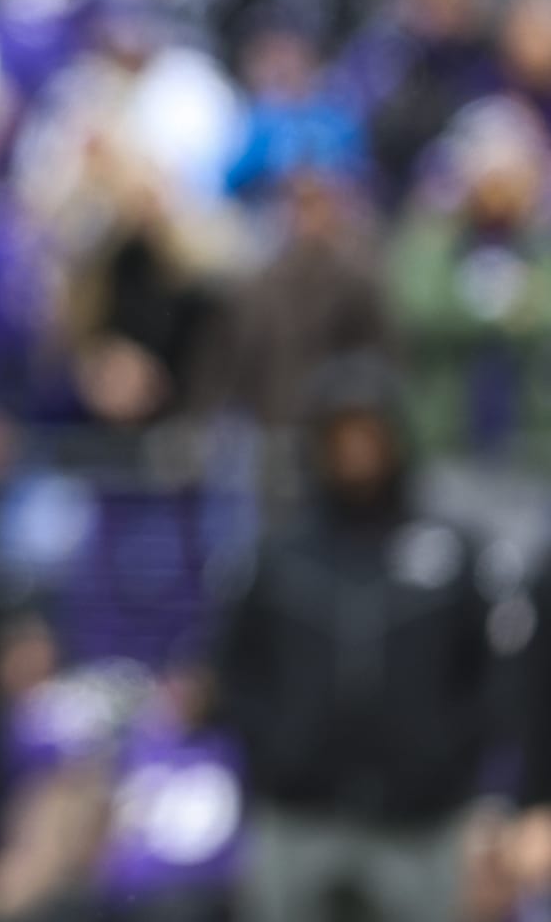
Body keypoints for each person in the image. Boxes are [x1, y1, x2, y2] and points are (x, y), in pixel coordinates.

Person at [210, 352, 490, 922]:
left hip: (418, 821)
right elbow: (236, 668)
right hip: (299, 813)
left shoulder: (449, 551)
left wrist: (449, 762)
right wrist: (274, 754)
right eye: (342, 433)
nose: (357, 449)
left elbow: (487, 670)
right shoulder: (278, 556)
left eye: (370, 432)